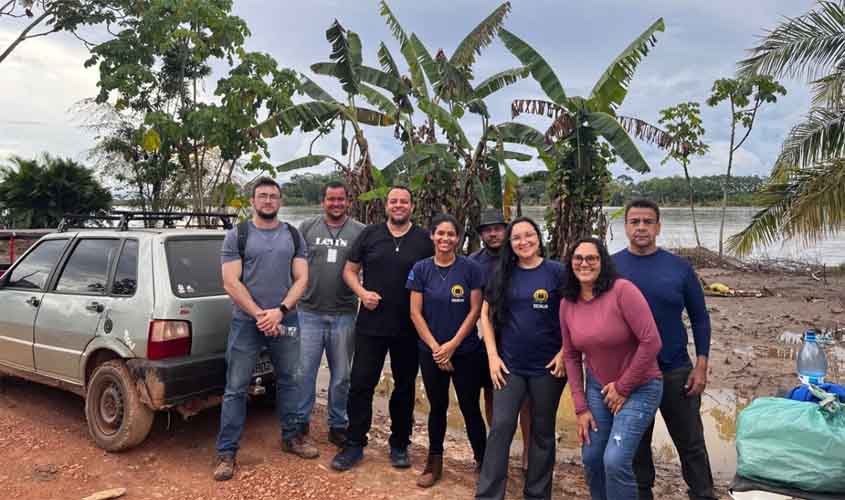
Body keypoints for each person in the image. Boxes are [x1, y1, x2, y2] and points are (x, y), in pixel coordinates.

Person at [613, 199, 716, 500]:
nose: (641, 227)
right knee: (636, 448)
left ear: (658, 227)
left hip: (675, 371)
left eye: (648, 221)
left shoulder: (679, 268)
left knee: (691, 444)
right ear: (625, 227)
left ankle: (703, 494)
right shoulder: (611, 268)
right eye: (635, 221)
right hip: (630, 374)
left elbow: (700, 318)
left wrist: (701, 366)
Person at [214, 177, 312, 482]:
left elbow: (302, 279)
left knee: (290, 380)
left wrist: (280, 311)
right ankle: (227, 452)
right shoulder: (238, 235)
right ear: (253, 201)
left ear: (280, 201)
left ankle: (292, 437)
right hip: (247, 322)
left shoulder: (293, 235)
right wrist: (260, 315)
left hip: (286, 320)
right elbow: (231, 282)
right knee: (236, 387)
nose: (268, 200)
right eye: (262, 195)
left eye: (273, 196)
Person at [331, 186, 434, 471]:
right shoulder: (370, 234)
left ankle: (399, 443)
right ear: (386, 205)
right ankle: (354, 443)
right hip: (371, 325)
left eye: (404, 201)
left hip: (409, 326)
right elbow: (349, 270)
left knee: (404, 387)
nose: (398, 205)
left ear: (412, 206)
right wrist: (362, 293)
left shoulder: (424, 240)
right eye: (394, 201)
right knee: (361, 384)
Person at [560, 236, 663, 500]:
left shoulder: (622, 291)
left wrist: (623, 387)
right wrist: (580, 407)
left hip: (641, 386)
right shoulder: (567, 303)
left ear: (602, 262)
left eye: (591, 258)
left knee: (615, 460)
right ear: (570, 263)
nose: (584, 264)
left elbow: (651, 341)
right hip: (599, 388)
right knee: (592, 457)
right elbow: (571, 355)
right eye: (578, 258)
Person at [475, 217, 567, 500]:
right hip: (509, 365)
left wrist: (565, 352)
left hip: (548, 368)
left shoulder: (557, 272)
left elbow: (575, 313)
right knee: (501, 426)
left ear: (538, 238)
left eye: (529, 235)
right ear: (510, 243)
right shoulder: (502, 272)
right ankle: (489, 494)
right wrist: (492, 356)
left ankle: (537, 493)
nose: (523, 242)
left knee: (542, 430)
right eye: (516, 238)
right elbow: (485, 315)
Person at [407, 214, 487, 488]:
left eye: (451, 234)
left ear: (458, 238)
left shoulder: (471, 268)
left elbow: (475, 310)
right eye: (440, 233)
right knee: (437, 407)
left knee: (470, 407)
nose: (445, 238)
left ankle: (483, 460)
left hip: (465, 352)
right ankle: (434, 461)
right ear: (432, 236)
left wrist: (452, 346)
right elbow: (415, 313)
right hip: (431, 352)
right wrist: (436, 349)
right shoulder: (421, 269)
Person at [294, 181, 366, 447]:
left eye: (340, 199)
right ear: (322, 201)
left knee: (342, 376)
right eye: (330, 199)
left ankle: (338, 424)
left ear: (348, 202)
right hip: (308, 312)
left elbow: (370, 266)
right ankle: (300, 421)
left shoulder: (360, 231)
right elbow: (294, 265)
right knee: (304, 372)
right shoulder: (306, 228)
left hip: (344, 313)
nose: (336, 204)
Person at [470, 208, 532, 477]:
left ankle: (528, 451)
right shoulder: (473, 262)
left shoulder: (519, 257)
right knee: (491, 392)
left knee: (526, 400)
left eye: (498, 228)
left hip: (519, 336)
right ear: (481, 234)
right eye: (487, 230)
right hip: (487, 337)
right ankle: (498, 451)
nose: (493, 234)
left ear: (506, 231)